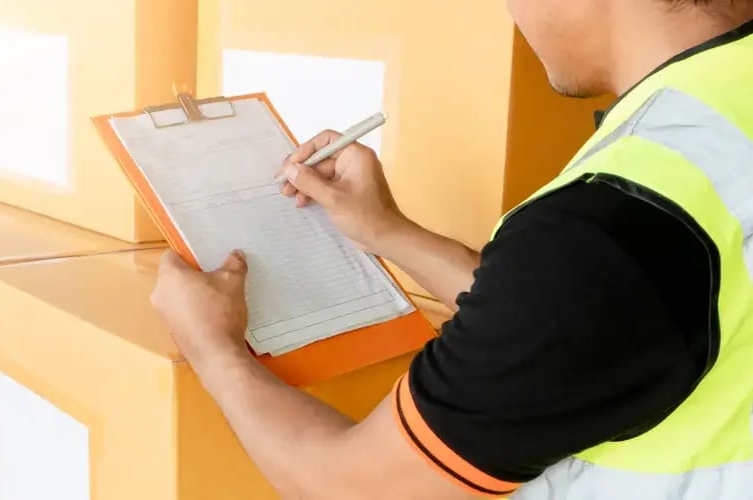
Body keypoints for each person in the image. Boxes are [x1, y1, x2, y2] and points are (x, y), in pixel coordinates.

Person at [149, 0, 753, 498]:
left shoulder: (615, 219)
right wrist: (386, 231)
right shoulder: (720, 119)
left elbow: (352, 487)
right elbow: (604, 324)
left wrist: (213, 349)